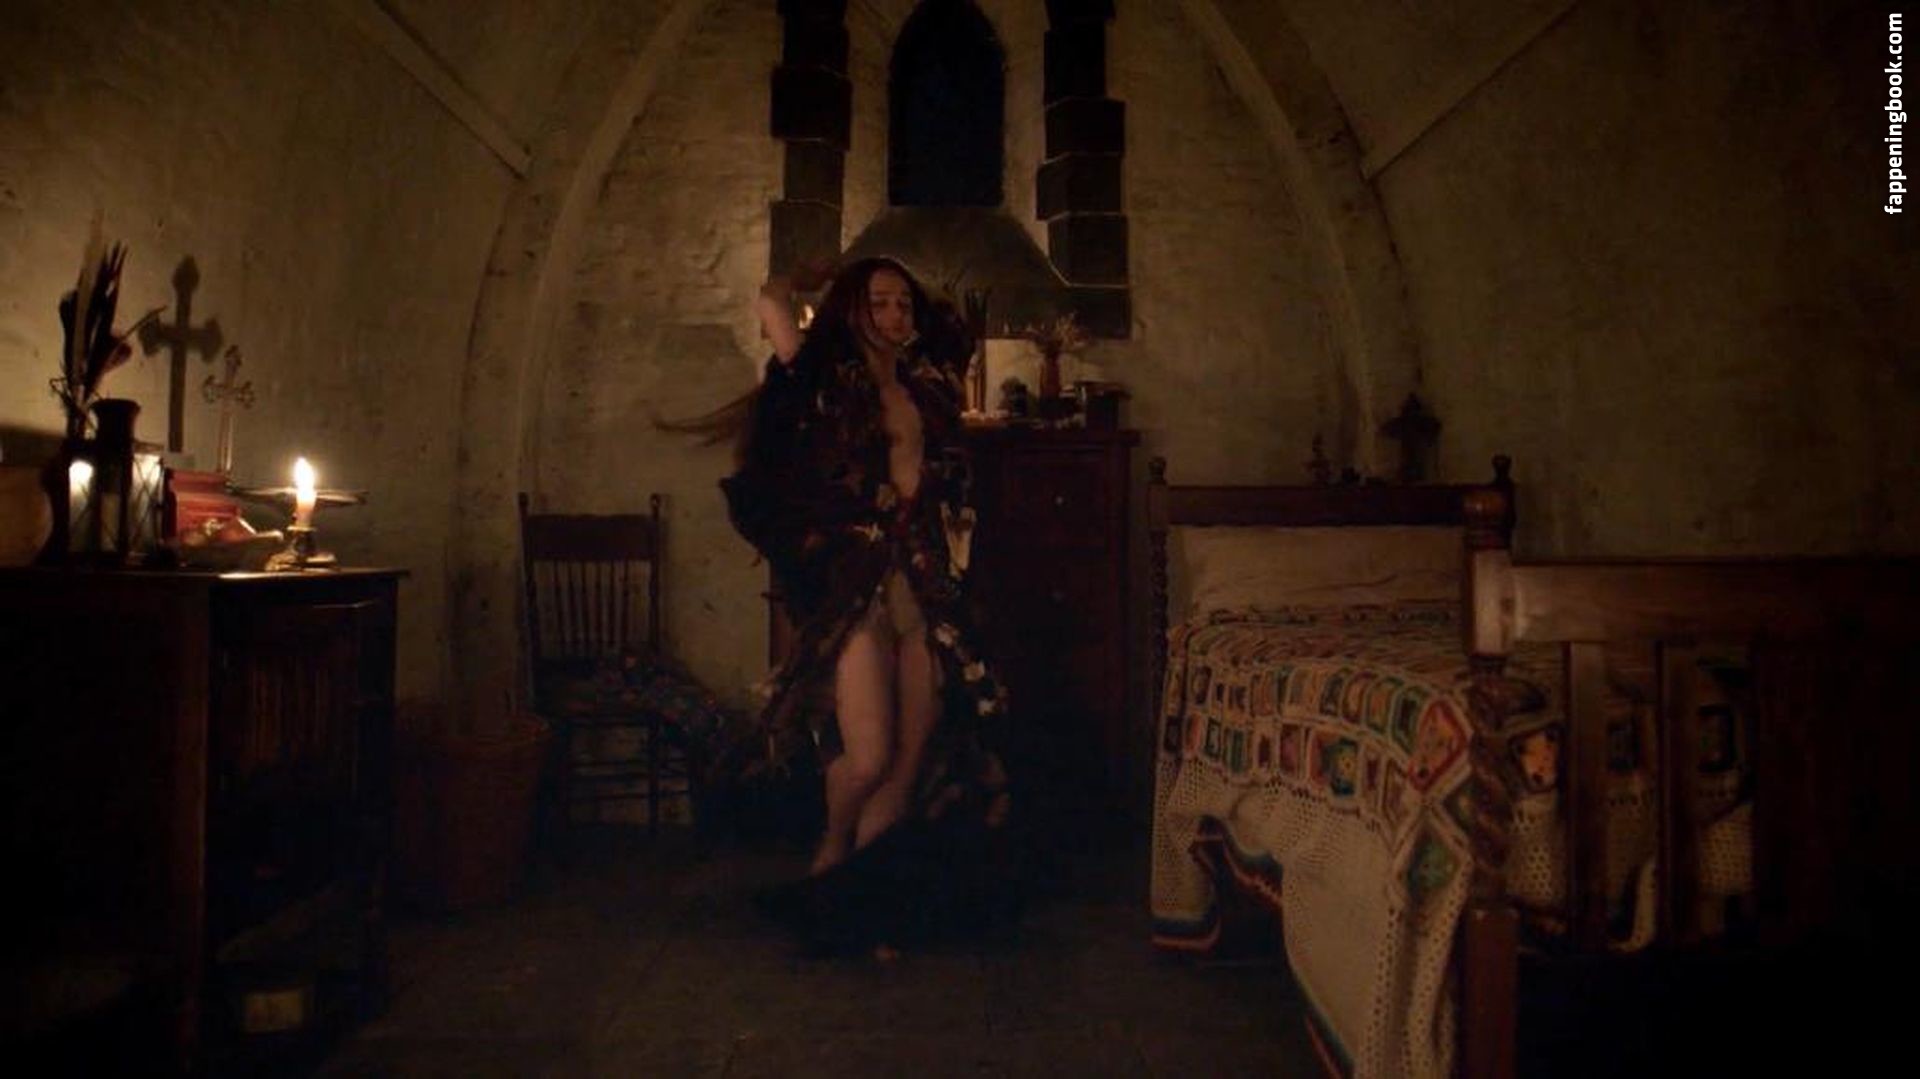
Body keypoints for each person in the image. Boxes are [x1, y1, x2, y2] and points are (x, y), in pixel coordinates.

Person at [707, 257, 1014, 949]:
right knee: (870, 756)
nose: (894, 316)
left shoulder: (927, 388)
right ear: (851, 309)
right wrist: (814, 272)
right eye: (878, 303)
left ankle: (873, 906)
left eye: (903, 304)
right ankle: (833, 847)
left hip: (925, 582)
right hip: (857, 581)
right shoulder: (823, 379)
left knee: (909, 758)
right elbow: (771, 300)